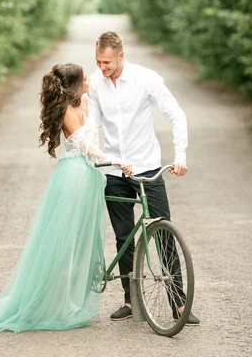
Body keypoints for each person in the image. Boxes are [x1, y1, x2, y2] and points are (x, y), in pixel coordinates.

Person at [0, 62, 129, 332]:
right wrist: (116, 162)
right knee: (65, 243)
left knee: (82, 239)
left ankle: (71, 300)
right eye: (85, 78)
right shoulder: (69, 112)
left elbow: (105, 89)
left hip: (90, 178)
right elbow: (87, 149)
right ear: (73, 85)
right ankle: (56, 304)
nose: (89, 81)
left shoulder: (84, 100)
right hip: (74, 178)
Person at [88, 31, 200, 326]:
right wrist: (89, 154)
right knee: (125, 237)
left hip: (148, 168)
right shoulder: (96, 83)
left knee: (164, 234)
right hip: (115, 170)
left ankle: (178, 304)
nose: (103, 68)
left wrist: (181, 155)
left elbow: (176, 114)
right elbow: (94, 123)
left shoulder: (146, 79)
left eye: (108, 62)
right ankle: (129, 299)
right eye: (99, 62)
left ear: (121, 56)